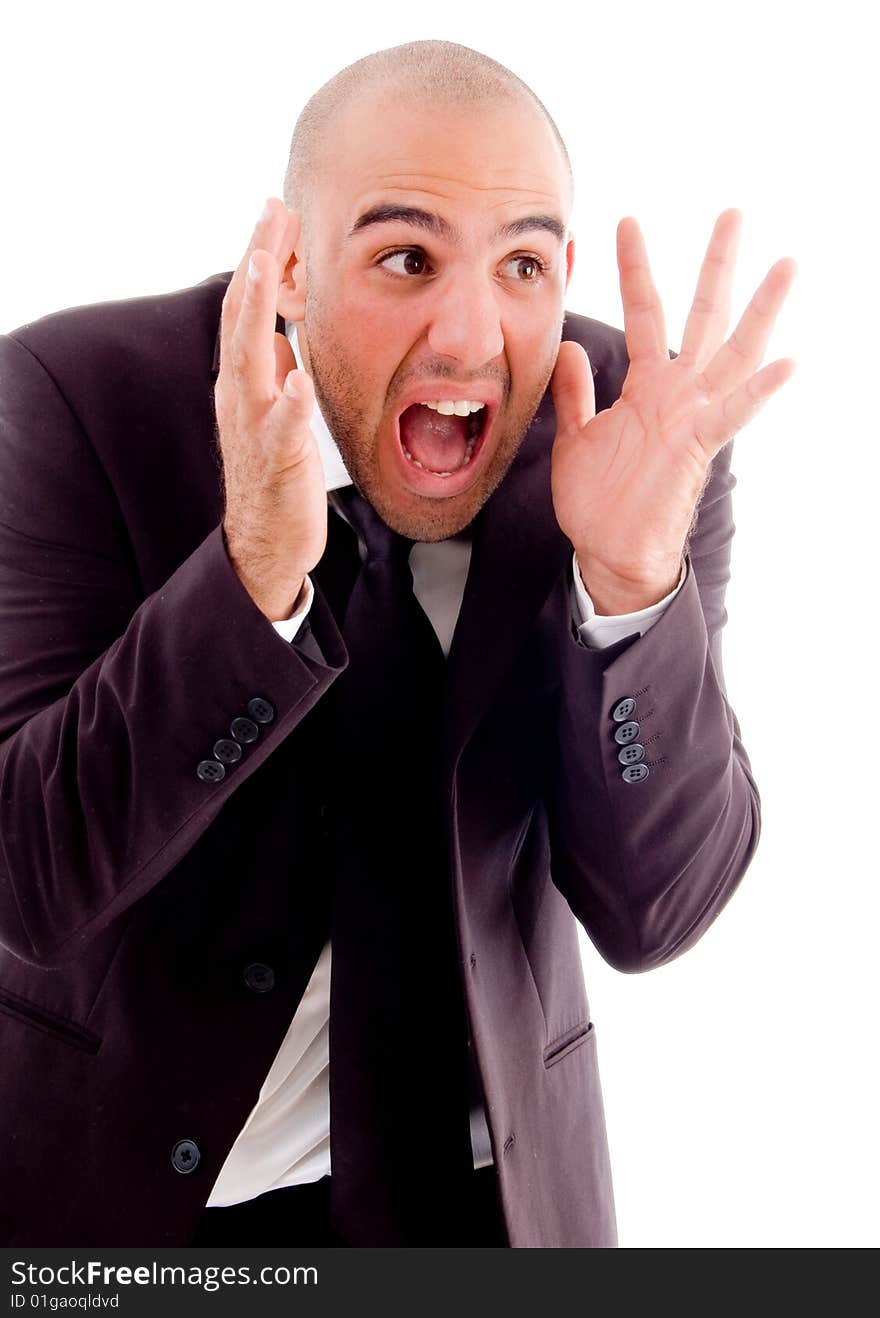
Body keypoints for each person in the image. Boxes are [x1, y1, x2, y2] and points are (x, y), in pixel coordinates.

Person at [0, 39, 795, 1248]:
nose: (473, 335)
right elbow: (28, 881)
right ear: (291, 266)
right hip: (144, 1205)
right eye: (406, 257)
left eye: (522, 263)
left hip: (490, 1204)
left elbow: (660, 910)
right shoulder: (68, 397)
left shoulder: (638, 421)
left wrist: (632, 586)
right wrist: (250, 581)